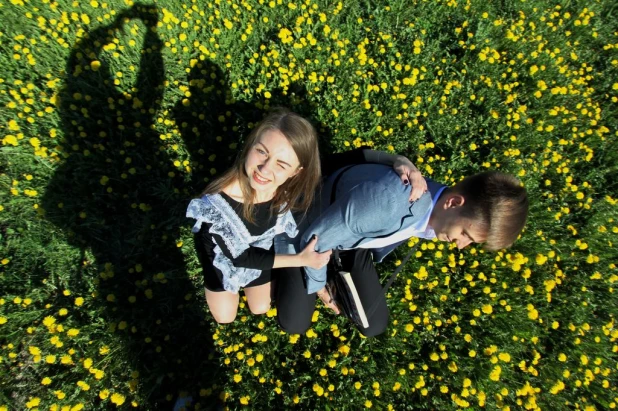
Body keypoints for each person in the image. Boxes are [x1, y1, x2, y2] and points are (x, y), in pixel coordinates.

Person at [187, 109, 422, 324]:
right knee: (225, 318)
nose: (265, 169)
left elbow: (355, 157)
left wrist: (400, 161)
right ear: (249, 147)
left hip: (261, 251)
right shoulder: (215, 209)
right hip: (226, 259)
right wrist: (303, 260)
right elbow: (241, 258)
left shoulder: (290, 186)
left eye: (281, 164)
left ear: (297, 171)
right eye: (261, 152)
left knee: (260, 307)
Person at [275, 163, 529, 337]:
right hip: (306, 224)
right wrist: (320, 286)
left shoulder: (436, 207)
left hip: (355, 233)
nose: (461, 245)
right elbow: (314, 241)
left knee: (373, 323)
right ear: (453, 202)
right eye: (465, 235)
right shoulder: (390, 203)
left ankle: (344, 251)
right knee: (295, 321)